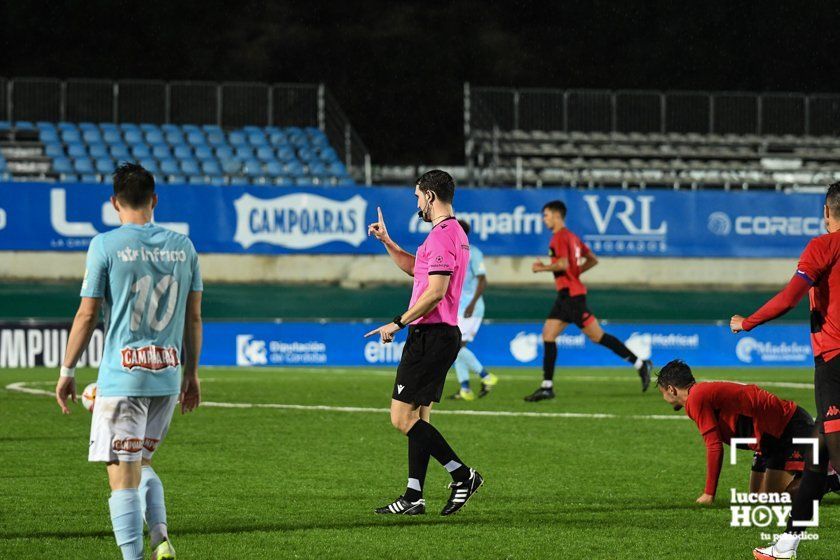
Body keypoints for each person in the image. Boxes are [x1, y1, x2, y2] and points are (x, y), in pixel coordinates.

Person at [55, 163, 203, 560]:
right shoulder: (184, 246)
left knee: (122, 479)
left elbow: (87, 315)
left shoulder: (105, 245)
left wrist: (67, 370)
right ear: (154, 200)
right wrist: (191, 374)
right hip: (167, 379)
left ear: (113, 203)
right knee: (143, 463)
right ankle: (161, 539)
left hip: (123, 379)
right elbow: (193, 317)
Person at [731, 181, 840, 559]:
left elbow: (790, 297)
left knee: (836, 459)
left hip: (835, 364)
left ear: (827, 212)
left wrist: (747, 323)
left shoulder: (823, 246)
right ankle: (788, 543)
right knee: (817, 453)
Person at [365, 169, 484, 516]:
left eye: (418, 196)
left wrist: (398, 321)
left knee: (401, 418)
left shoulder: (443, 235)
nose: (417, 202)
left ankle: (463, 475)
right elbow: (419, 270)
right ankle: (414, 496)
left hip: (431, 335)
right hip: (438, 335)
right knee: (420, 418)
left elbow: (436, 292)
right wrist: (389, 242)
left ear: (430, 196)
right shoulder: (454, 233)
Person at [524, 200, 653, 402]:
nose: (544, 219)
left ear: (557, 215)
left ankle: (640, 364)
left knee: (597, 336)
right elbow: (592, 259)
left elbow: (562, 264)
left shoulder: (558, 237)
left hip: (572, 298)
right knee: (548, 334)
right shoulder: (573, 237)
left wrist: (541, 268)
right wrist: (575, 273)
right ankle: (547, 387)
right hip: (566, 296)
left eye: (546, 215)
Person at [656, 360, 819, 504]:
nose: (663, 397)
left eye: (662, 392)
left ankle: (829, 478)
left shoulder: (696, 398)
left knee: (773, 500)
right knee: (757, 499)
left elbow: (714, 446)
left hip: (788, 427)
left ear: (671, 389)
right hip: (768, 437)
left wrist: (708, 493)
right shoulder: (699, 394)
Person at [449, 219, 498, 401]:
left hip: (470, 308)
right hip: (459, 308)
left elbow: (483, 280)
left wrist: (471, 304)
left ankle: (485, 376)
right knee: (455, 350)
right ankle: (465, 389)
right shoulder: (454, 252)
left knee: (453, 347)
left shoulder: (473, 252)